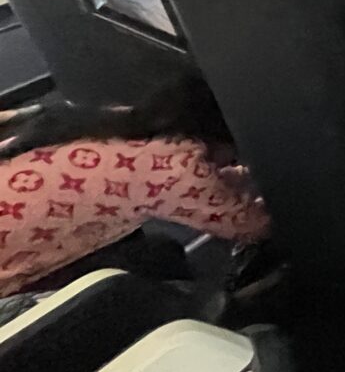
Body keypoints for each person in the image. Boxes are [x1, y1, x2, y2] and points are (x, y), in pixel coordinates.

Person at [0, 78, 270, 297]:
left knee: (149, 244)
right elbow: (249, 227)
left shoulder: (114, 123)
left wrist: (229, 180)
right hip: (12, 280)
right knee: (159, 257)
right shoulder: (176, 169)